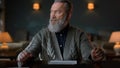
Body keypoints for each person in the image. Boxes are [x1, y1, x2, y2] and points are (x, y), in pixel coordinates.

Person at [17, 0, 105, 66]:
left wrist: (94, 56)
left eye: (58, 12)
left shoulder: (80, 34)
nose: (52, 16)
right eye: (51, 11)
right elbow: (27, 53)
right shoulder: (42, 34)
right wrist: (23, 57)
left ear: (69, 15)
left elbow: (89, 56)